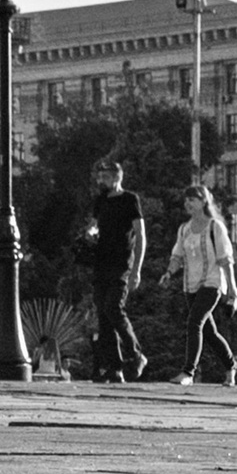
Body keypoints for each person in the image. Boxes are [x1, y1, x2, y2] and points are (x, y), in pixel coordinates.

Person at [163, 181, 237, 385]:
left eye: (192, 199)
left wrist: (232, 289)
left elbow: (226, 259)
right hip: (191, 285)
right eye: (186, 199)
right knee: (209, 332)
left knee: (194, 322)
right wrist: (169, 273)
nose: (188, 203)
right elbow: (177, 255)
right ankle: (231, 367)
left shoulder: (215, 227)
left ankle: (188, 372)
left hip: (212, 283)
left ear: (203, 201)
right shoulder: (184, 230)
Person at [83, 154, 148, 382]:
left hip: (121, 262)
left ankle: (136, 355)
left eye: (106, 176)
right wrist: (89, 235)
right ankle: (114, 367)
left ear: (117, 178)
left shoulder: (130, 199)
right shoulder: (100, 201)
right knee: (103, 313)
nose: (102, 180)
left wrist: (136, 269)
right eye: (100, 176)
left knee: (113, 308)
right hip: (101, 261)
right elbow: (93, 226)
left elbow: (140, 234)